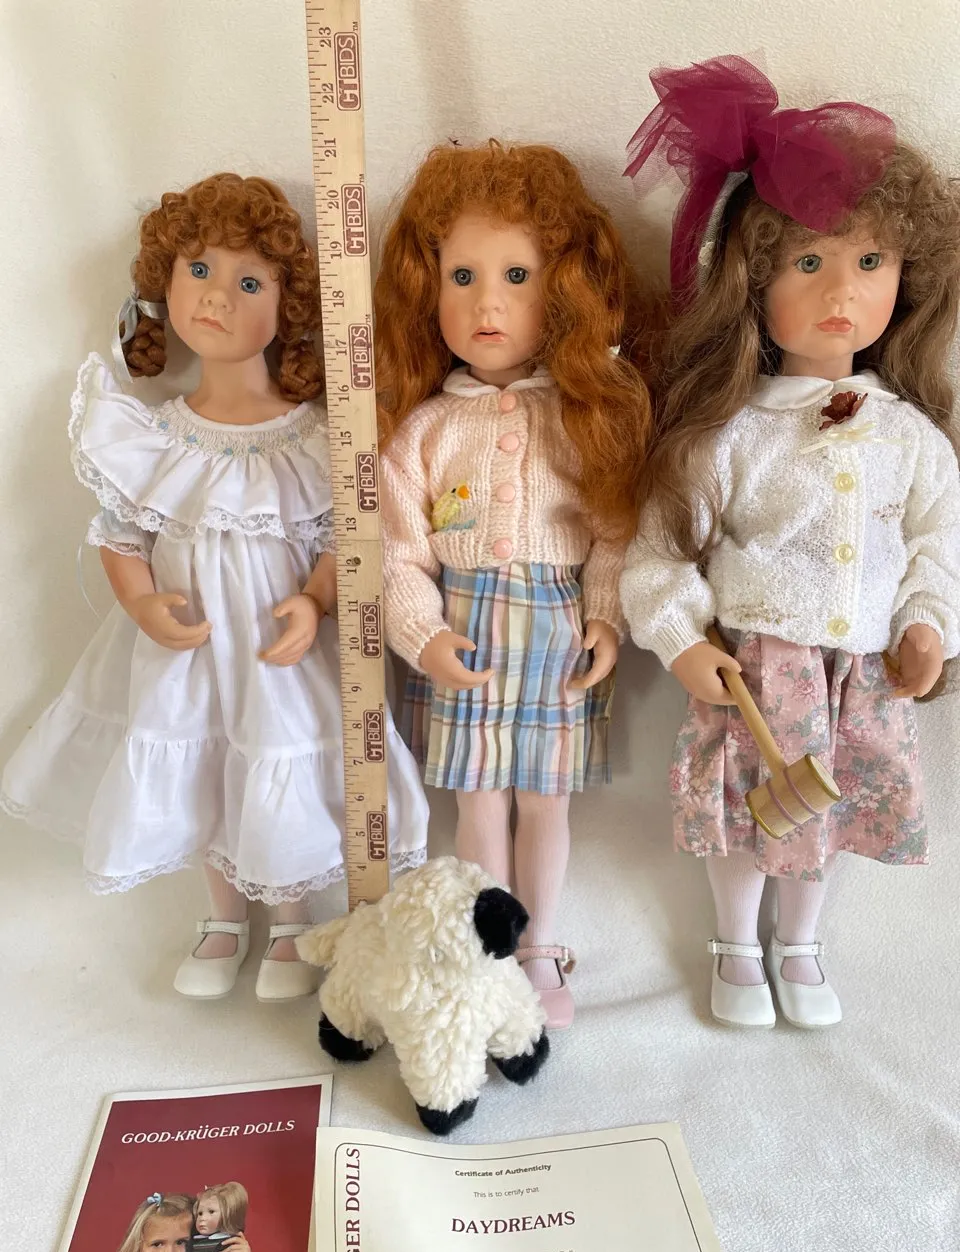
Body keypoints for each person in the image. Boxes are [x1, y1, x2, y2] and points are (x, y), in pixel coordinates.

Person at [1, 173, 429, 1000]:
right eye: (198, 270)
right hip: (188, 649)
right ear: (162, 284)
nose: (217, 297)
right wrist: (139, 600)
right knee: (198, 766)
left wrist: (316, 598)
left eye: (248, 282)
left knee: (278, 760)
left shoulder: (315, 440)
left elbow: (343, 540)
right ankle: (225, 917)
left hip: (278, 651)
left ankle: (293, 918)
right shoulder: (154, 437)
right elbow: (121, 534)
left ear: (287, 307)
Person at [620, 56, 960, 1029]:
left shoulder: (911, 436)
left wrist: (929, 623)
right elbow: (658, 552)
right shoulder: (733, 433)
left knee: (828, 811)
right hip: (759, 673)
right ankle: (735, 942)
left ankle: (801, 944)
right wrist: (681, 638)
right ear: (753, 281)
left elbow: (940, 542)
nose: (841, 288)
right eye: (808, 263)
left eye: (869, 262)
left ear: (908, 276)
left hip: (863, 674)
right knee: (749, 810)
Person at [375, 141, 653, 1028]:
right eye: (461, 276)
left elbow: (614, 532)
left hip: (555, 639)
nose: (487, 303)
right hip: (464, 636)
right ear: (427, 290)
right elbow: (396, 552)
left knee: (545, 800)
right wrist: (421, 634)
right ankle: (488, 947)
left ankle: (540, 946)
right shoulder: (422, 430)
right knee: (478, 802)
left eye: (517, 275)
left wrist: (605, 618)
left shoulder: (581, 419)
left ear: (564, 292)